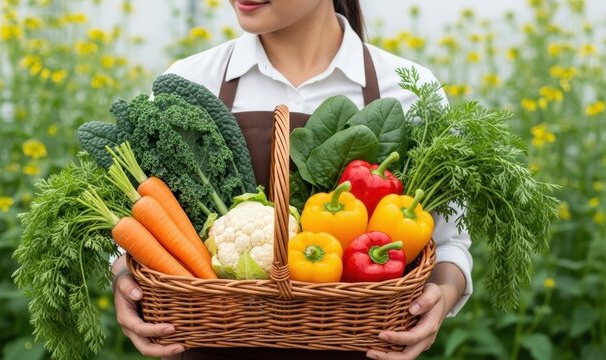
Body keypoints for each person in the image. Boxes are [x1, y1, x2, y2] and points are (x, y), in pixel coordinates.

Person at [111, 1, 473, 359]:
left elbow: (448, 242)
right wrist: (123, 282)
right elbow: (136, 228)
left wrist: (442, 294)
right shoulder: (191, 79)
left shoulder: (411, 92)